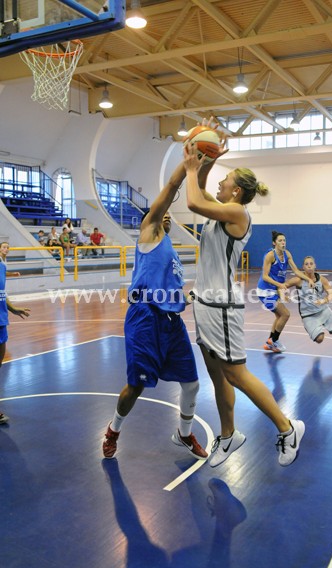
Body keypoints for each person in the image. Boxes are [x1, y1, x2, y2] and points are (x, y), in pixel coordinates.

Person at [183, 129, 305, 468]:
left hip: (221, 306)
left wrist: (193, 168)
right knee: (216, 373)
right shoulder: (223, 208)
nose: (220, 183)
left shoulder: (238, 214)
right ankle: (228, 435)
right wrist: (209, 162)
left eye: (226, 179)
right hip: (205, 304)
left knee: (235, 374)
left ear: (236, 191)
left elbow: (193, 199)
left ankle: (287, 427)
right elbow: (203, 192)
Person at [102, 160, 208, 461]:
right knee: (136, 386)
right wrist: (190, 165)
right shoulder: (148, 234)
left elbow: (168, 290)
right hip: (145, 320)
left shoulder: (172, 252)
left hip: (171, 322)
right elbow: (172, 188)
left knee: (192, 383)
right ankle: (113, 430)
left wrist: (188, 297)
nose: (168, 215)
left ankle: (184, 435)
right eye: (164, 211)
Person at [286, 255, 332, 359]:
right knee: (320, 339)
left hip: (323, 310)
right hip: (308, 315)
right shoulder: (298, 280)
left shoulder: (321, 279)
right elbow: (283, 285)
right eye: (306, 264)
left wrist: (324, 300)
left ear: (315, 265)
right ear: (303, 267)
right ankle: (316, 328)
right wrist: (283, 294)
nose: (309, 266)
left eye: (311, 264)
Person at [257, 230, 314, 353]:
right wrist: (280, 285)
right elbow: (265, 276)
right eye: (280, 241)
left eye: (284, 240)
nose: (283, 242)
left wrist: (308, 279)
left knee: (279, 315)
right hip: (265, 291)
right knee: (285, 314)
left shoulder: (287, 254)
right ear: (274, 243)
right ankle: (274, 341)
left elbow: (297, 271)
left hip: (275, 289)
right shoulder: (270, 256)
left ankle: (270, 341)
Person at [0, 242, 30, 424]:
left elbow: (2, 293)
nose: (5, 249)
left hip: (2, 319)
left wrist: (13, 309)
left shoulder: (2, 266)